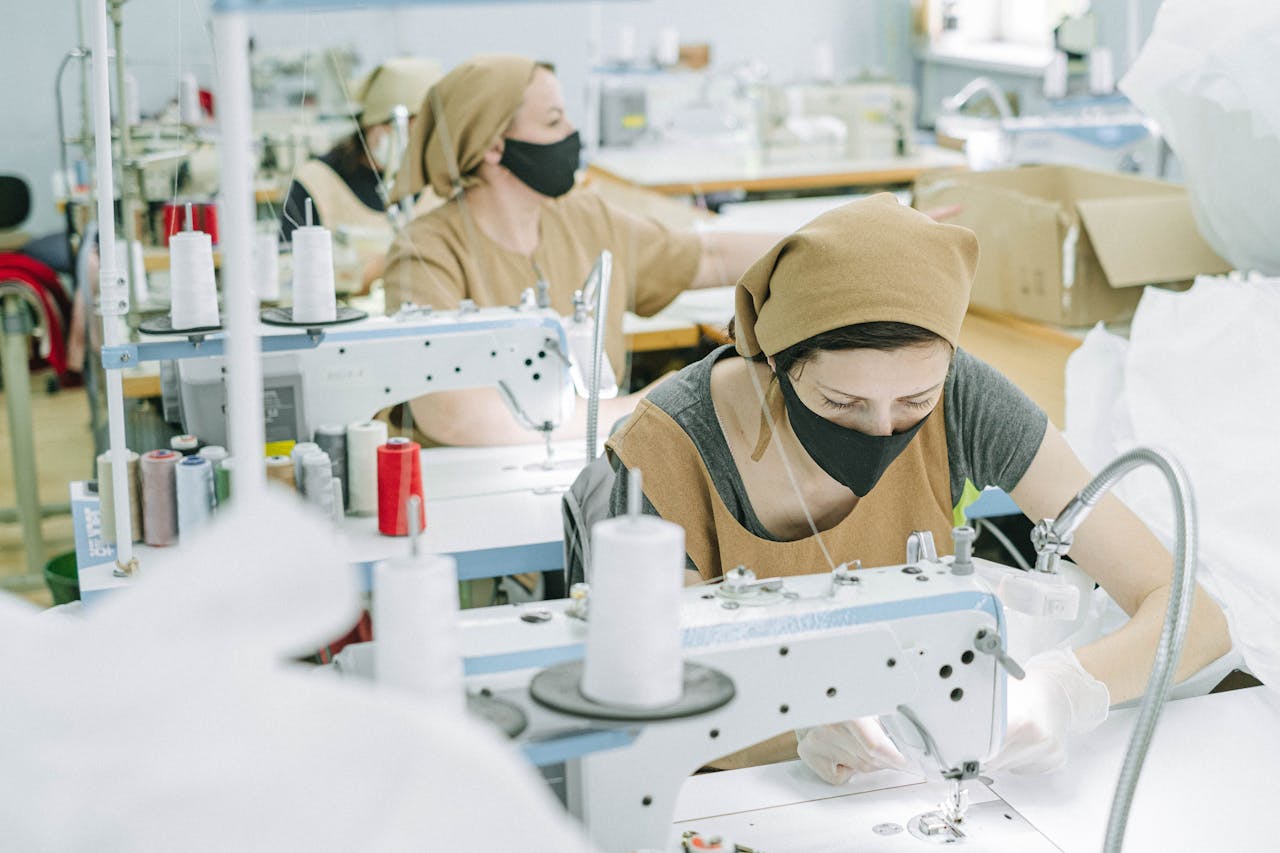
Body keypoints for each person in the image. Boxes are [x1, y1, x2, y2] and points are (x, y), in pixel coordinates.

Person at [603, 194, 1232, 776]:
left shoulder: (965, 399)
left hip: (903, 778)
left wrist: (1064, 689)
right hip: (728, 797)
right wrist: (796, 721)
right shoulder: (665, 450)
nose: (883, 429)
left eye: (915, 401)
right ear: (775, 358)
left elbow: (1194, 618)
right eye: (843, 403)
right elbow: (650, 693)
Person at [384, 54, 779, 447]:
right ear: (491, 146)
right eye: (554, 121)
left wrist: (815, 244)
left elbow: (707, 256)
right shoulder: (426, 252)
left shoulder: (583, 216)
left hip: (587, 458)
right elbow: (450, 414)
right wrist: (641, 407)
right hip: (472, 481)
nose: (572, 132)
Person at [280, 57, 442, 293]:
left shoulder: (439, 182)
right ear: (376, 125)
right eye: (410, 130)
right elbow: (288, 278)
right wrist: (382, 267)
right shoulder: (317, 183)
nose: (421, 144)